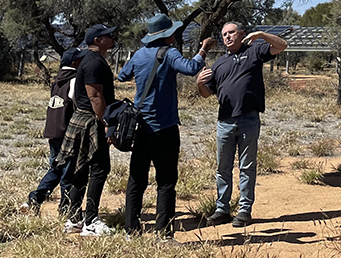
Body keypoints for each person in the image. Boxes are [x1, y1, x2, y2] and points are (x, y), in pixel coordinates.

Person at [117, 14, 216, 236]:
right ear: (167, 35)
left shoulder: (139, 54)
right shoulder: (169, 53)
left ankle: (131, 229)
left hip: (141, 127)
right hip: (165, 127)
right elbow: (191, 68)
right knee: (166, 181)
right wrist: (203, 50)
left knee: (136, 180)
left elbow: (123, 76)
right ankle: (163, 233)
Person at [197, 22, 287, 228]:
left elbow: (282, 46)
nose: (227, 37)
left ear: (241, 34)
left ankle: (245, 210)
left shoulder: (255, 51)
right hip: (225, 122)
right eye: (224, 34)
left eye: (231, 32)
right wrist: (200, 84)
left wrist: (262, 34)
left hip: (248, 119)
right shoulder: (219, 64)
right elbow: (207, 93)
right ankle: (222, 209)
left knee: (247, 166)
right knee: (223, 168)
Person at [58, 23, 117, 237]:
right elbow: (95, 96)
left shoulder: (90, 59)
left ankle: (74, 219)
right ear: (97, 40)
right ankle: (91, 220)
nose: (112, 37)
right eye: (108, 35)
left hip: (83, 119)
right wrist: (106, 123)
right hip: (91, 120)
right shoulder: (93, 63)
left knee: (81, 170)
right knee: (99, 168)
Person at [21, 47, 85, 215]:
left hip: (52, 131)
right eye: (80, 59)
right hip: (67, 133)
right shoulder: (74, 80)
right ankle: (66, 209)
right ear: (74, 63)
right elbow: (77, 105)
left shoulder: (56, 81)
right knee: (68, 173)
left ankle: (34, 200)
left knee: (56, 168)